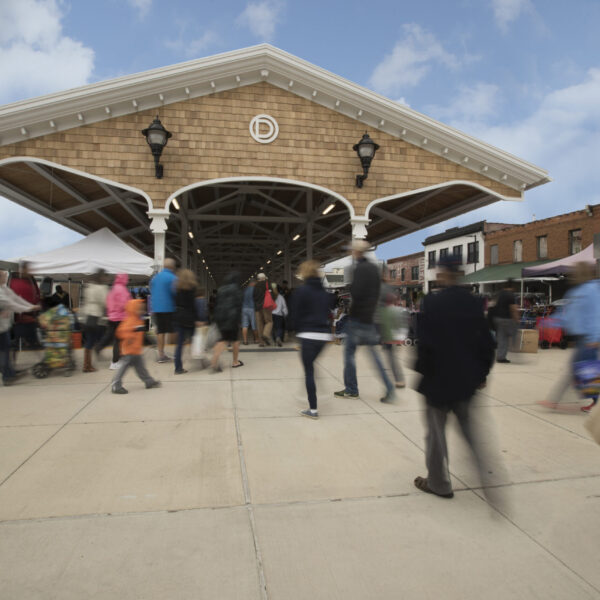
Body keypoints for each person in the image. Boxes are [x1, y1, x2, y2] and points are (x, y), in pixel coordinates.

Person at [413, 256, 496, 499]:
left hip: (438, 382)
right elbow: (487, 343)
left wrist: (422, 372)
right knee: (471, 435)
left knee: (436, 437)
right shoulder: (474, 303)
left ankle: (439, 484)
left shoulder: (432, 303)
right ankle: (488, 478)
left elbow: (424, 344)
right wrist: (482, 374)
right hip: (466, 381)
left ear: (443, 274)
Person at [334, 240, 395, 403]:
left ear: (357, 252)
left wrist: (351, 287)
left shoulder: (360, 268)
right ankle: (389, 388)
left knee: (349, 354)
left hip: (357, 318)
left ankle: (351, 389)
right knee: (374, 356)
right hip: (368, 318)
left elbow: (357, 292)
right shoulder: (374, 269)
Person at [542, 262, 600, 412]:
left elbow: (596, 314)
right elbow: (567, 314)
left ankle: (554, 401)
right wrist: (549, 322)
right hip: (580, 338)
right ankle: (591, 402)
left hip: (587, 339)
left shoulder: (592, 290)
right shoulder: (575, 292)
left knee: (585, 373)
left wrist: (595, 337)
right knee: (583, 372)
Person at [291, 261, 335, 419]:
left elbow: (295, 316)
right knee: (311, 367)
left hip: (308, 335)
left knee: (308, 371)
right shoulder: (324, 292)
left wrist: (295, 332)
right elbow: (330, 309)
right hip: (324, 336)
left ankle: (313, 409)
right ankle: (318, 392)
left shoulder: (301, 291)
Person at [112, 299, 161, 394]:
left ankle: (149, 381)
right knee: (123, 368)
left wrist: (150, 341)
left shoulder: (138, 321)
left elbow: (142, 334)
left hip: (136, 350)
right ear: (133, 309)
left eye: (143, 309)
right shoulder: (129, 321)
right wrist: (129, 337)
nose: (142, 311)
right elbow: (120, 332)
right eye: (139, 309)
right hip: (128, 351)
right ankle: (116, 385)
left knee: (141, 368)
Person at [0, 270, 40, 385]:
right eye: (3, 276)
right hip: (1, 328)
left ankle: (9, 372)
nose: (5, 278)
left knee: (6, 349)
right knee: (4, 351)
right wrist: (30, 309)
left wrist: (31, 306)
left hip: (4, 326)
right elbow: (12, 304)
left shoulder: (4, 288)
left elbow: (16, 299)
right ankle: (7, 376)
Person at [97, 273, 131, 369]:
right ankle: (115, 362)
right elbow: (124, 304)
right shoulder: (122, 289)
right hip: (120, 318)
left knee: (116, 339)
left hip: (112, 317)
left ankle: (119, 359)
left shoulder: (113, 288)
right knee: (119, 341)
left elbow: (108, 303)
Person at [211, 272, 244, 371]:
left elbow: (217, 303)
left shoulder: (221, 289)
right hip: (232, 318)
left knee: (222, 339)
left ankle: (214, 361)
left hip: (220, 317)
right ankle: (235, 362)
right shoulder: (237, 289)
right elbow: (239, 304)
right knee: (235, 340)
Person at [79, 269, 109, 373]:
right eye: (105, 276)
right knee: (91, 340)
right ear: (102, 277)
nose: (106, 279)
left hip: (86, 315)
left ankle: (86, 364)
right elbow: (105, 302)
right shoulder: (101, 287)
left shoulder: (89, 286)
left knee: (89, 340)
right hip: (95, 315)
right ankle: (87, 365)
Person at [378, 290, 407, 388]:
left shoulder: (384, 311)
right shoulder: (398, 310)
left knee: (391, 360)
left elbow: (383, 326)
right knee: (392, 359)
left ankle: (399, 380)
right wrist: (402, 338)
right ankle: (398, 379)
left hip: (388, 339)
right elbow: (402, 325)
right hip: (395, 338)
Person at [9, 262, 42, 350]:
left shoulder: (31, 281)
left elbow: (37, 295)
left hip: (30, 317)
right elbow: (17, 301)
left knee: (34, 345)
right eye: (28, 269)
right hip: (20, 318)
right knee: (15, 346)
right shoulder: (15, 282)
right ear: (23, 270)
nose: (30, 271)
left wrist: (36, 306)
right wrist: (29, 308)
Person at [150, 258, 177, 363]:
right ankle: (175, 353)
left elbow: (152, 290)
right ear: (172, 267)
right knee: (174, 330)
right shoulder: (173, 278)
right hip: (169, 308)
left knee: (160, 331)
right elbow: (175, 293)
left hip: (156, 308)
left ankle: (161, 354)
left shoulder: (155, 278)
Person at [173, 269, 199, 375]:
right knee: (196, 341)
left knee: (179, 344)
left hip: (178, 317)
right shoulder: (192, 289)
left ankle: (178, 368)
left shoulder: (177, 289)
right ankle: (202, 361)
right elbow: (193, 306)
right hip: (189, 318)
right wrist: (197, 319)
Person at [494, 279, 518, 363]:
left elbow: (494, 304)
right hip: (507, 319)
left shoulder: (499, 294)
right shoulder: (510, 295)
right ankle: (516, 345)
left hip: (498, 318)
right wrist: (516, 319)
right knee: (513, 333)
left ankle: (500, 356)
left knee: (502, 338)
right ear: (512, 287)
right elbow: (513, 309)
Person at [253, 272, 273, 346]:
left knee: (260, 324)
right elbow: (272, 295)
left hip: (257, 308)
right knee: (269, 321)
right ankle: (265, 334)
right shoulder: (267, 285)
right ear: (264, 278)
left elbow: (254, 297)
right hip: (266, 306)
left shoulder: (255, 286)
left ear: (258, 279)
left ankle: (261, 342)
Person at [241, 279, 258, 345]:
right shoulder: (254, 290)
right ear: (253, 283)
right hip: (252, 308)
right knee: (254, 325)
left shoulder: (244, 290)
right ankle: (256, 340)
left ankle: (245, 341)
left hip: (244, 308)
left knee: (244, 325)